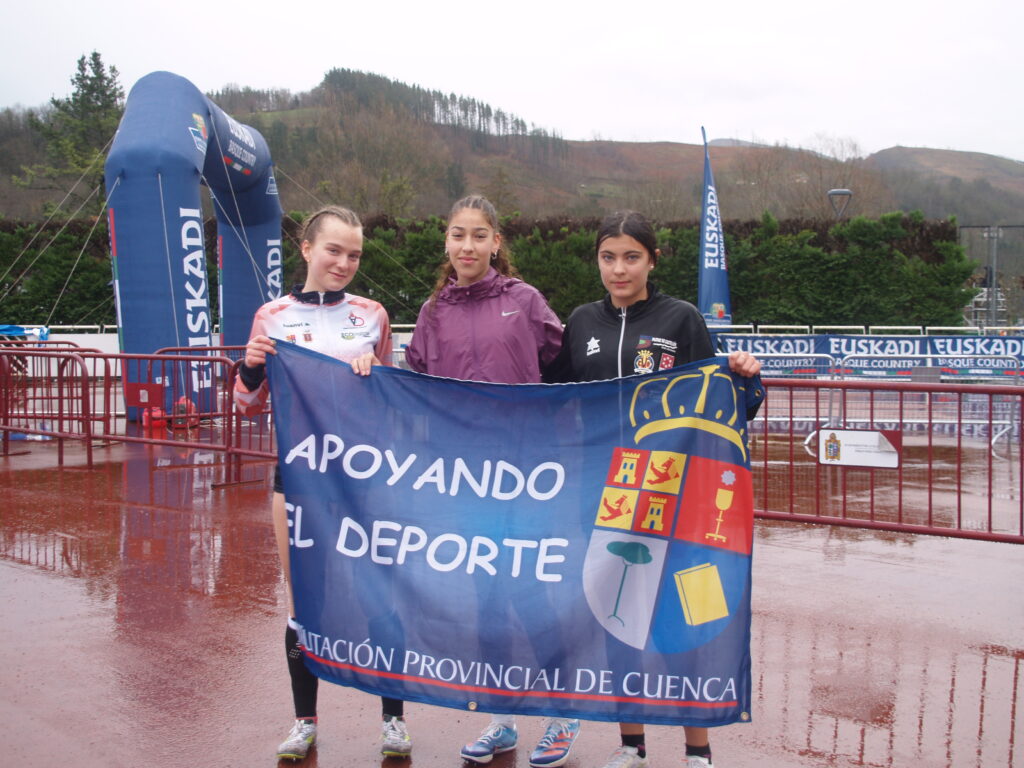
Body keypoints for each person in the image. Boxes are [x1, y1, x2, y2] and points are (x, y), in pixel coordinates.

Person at [543, 210, 762, 768]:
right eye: (608, 257)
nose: (619, 269)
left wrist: (746, 376)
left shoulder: (681, 318)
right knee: (621, 618)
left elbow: (718, 401)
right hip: (607, 493)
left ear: (652, 259)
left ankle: (698, 751)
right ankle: (632, 745)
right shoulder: (581, 321)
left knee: (681, 617)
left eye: (631, 256)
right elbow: (546, 396)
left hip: (673, 491)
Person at [403, 195, 579, 768]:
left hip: (528, 475)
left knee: (531, 590)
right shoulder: (434, 312)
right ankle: (501, 717)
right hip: (466, 478)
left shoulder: (525, 301)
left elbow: (561, 367)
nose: (468, 247)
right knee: (487, 598)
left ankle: (562, 710)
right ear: (446, 243)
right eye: (458, 235)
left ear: (496, 243)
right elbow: (415, 381)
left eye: (479, 236)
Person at [232, 205, 409, 762]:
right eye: (333, 250)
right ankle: (304, 721)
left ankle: (394, 722)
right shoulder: (272, 314)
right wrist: (252, 368)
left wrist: (378, 375)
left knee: (380, 594)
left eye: (354, 254)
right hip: (299, 476)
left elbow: (395, 397)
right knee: (304, 599)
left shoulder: (374, 315)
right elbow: (244, 403)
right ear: (306, 249)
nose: (344, 262)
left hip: (365, 479)